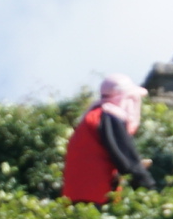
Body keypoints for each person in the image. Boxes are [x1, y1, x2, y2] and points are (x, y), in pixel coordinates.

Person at [63, 74, 157, 205]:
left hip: (77, 197)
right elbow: (126, 159)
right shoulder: (109, 118)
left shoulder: (94, 115)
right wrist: (149, 188)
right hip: (94, 199)